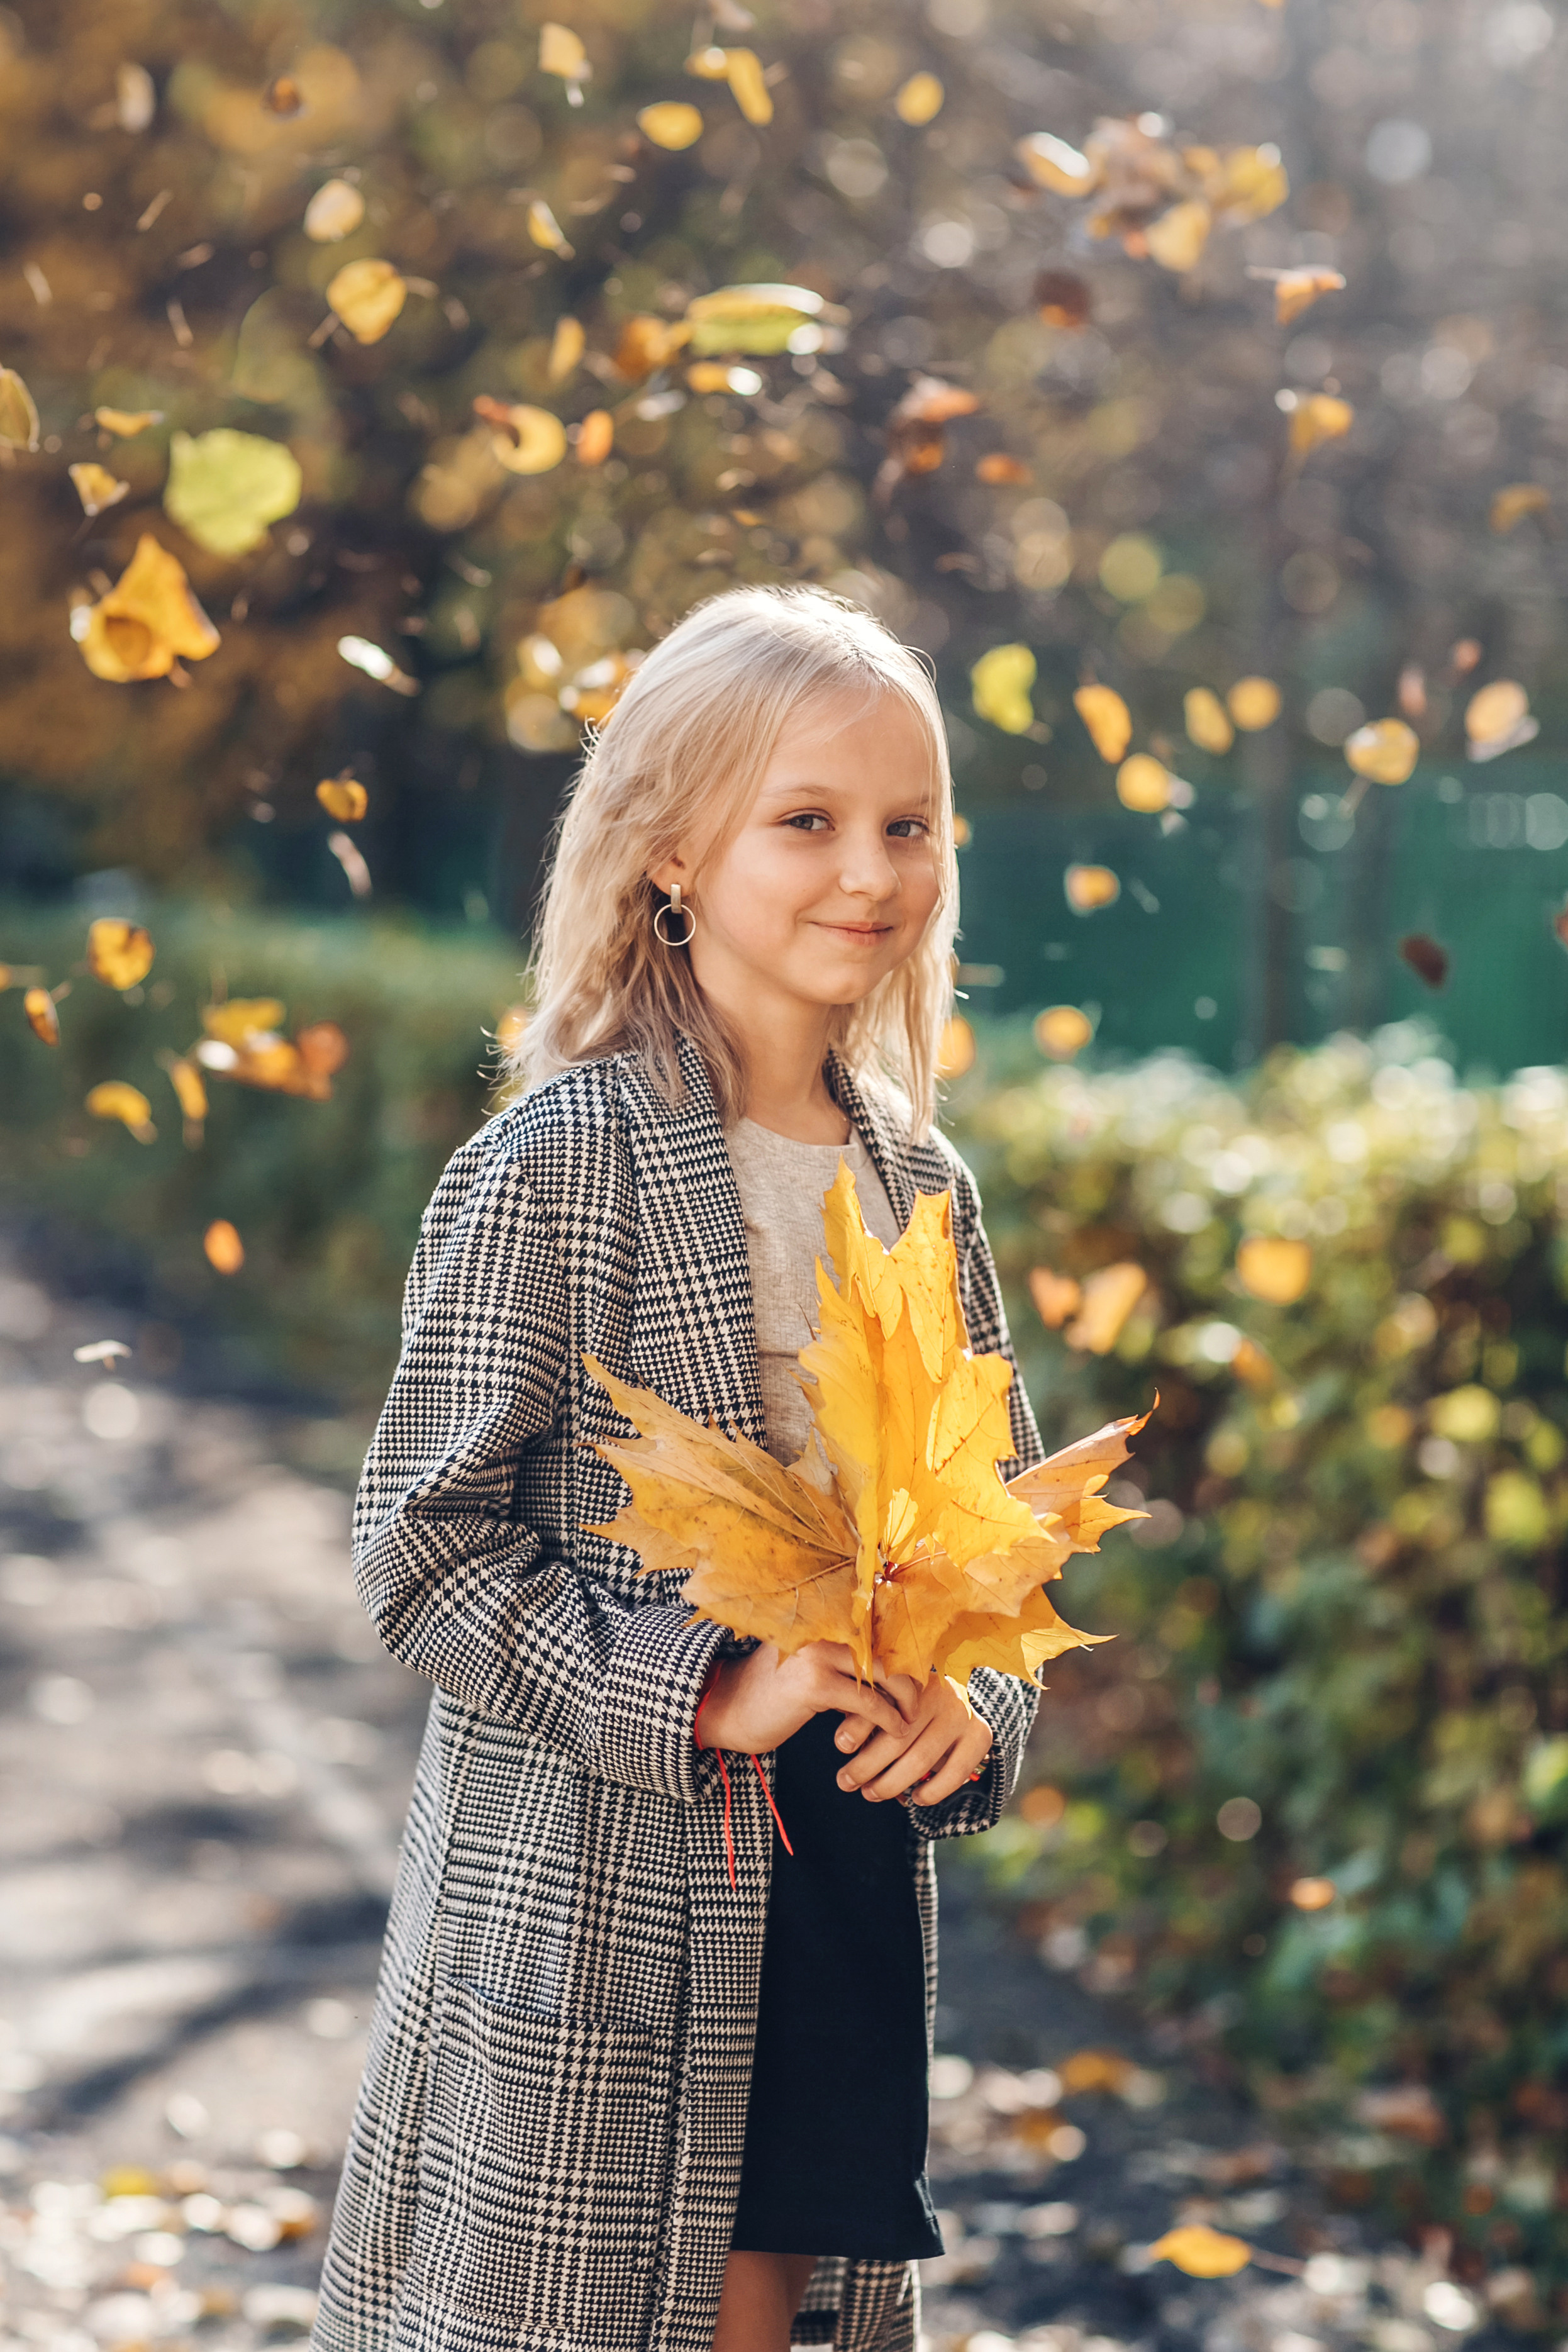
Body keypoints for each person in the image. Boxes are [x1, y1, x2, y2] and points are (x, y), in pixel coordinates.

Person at [312, 584, 1043, 2352]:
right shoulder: (561, 1164)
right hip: (605, 1914)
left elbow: (995, 1554)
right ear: (669, 855)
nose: (869, 870)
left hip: (841, 1899)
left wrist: (979, 1709)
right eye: (807, 821)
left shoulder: (923, 1189)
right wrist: (707, 1687)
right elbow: (422, 1550)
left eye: (908, 825)